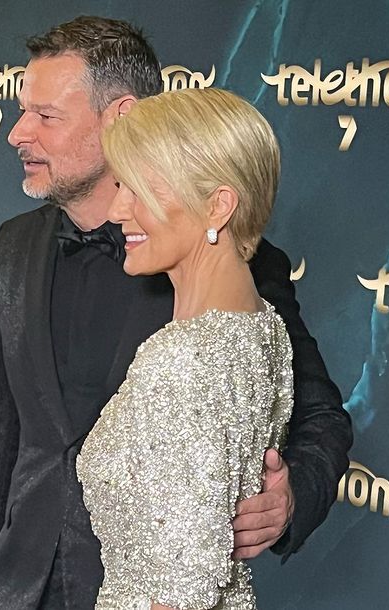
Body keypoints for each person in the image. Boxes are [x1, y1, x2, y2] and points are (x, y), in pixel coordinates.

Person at [0, 16, 352, 610]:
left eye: (46, 116)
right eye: (21, 111)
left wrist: (291, 497)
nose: (17, 133)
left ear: (120, 116)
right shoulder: (13, 245)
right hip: (15, 584)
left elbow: (320, 415)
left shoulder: (236, 265)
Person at [77, 86, 293, 609]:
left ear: (218, 205)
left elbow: (178, 592)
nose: (117, 209)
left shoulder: (180, 363)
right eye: (120, 185)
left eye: (139, 189)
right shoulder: (264, 328)